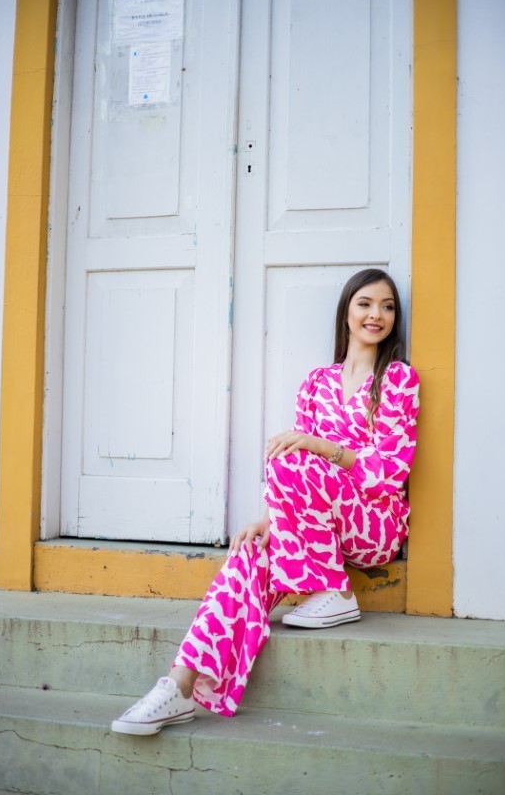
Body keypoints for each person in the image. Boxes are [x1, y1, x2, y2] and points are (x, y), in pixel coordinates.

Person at [111, 268, 420, 736]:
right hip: (320, 529)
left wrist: (323, 447)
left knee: (293, 454)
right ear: (346, 311)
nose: (376, 314)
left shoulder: (397, 378)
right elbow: (299, 475)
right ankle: (178, 686)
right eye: (365, 303)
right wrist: (270, 520)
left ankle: (334, 591)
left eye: (388, 306)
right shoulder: (316, 382)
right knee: (250, 553)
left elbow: (390, 472)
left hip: (375, 524)